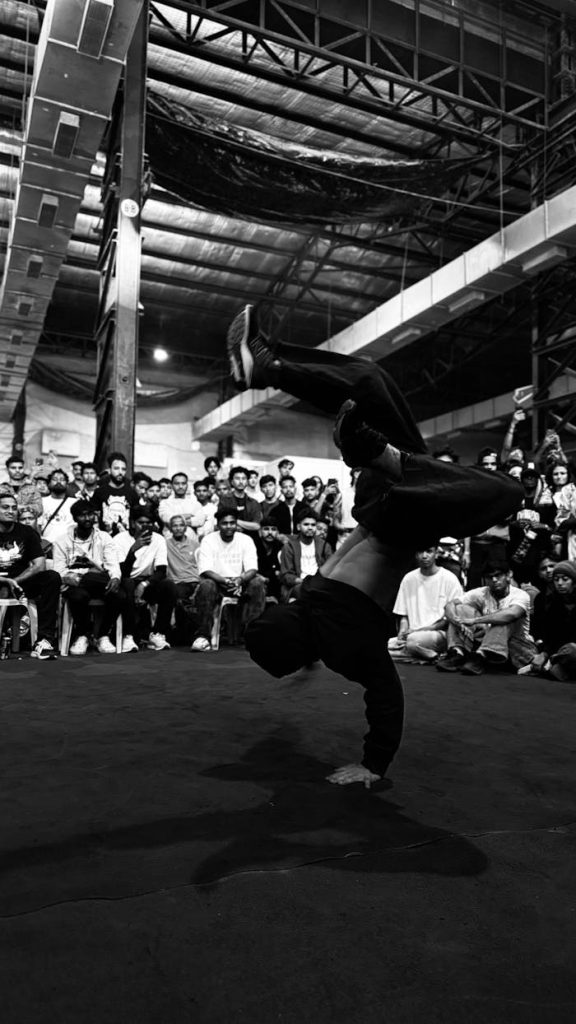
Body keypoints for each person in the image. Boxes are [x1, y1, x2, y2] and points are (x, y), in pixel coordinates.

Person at [227, 305, 523, 786]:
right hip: (397, 509)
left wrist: (304, 663)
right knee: (370, 381)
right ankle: (371, 448)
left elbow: (352, 673)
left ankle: (268, 365)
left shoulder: (325, 635)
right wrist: (373, 763)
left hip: (386, 504)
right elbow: (385, 695)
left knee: (370, 381)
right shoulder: (339, 639)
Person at [437, 559, 536, 676]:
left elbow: (511, 614)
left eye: (498, 576)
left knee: (502, 619)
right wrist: (456, 620)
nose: (494, 580)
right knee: (460, 608)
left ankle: (480, 656)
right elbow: (450, 605)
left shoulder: (520, 595)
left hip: (517, 648)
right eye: (489, 577)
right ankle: (458, 654)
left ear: (508, 575)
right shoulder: (482, 593)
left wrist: (475, 621)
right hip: (488, 643)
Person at [52, 499, 123, 655]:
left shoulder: (104, 537)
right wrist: (78, 577)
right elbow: (58, 571)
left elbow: (112, 565)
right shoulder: (61, 541)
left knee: (118, 594)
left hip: (98, 583)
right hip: (74, 585)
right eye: (83, 515)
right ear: (75, 518)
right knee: (80, 595)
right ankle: (82, 635)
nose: (88, 519)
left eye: (90, 514)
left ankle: (102, 636)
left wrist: (116, 578)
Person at [192, 508, 267, 652]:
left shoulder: (246, 540)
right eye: (224, 523)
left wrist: (240, 580)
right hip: (217, 582)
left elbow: (252, 569)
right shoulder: (209, 540)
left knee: (257, 583)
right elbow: (206, 570)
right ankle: (203, 636)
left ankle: (252, 635)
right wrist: (225, 581)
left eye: (232, 523)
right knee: (206, 585)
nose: (229, 526)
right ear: (218, 524)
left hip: (240, 582)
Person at [0, 489, 60, 659]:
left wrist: (14, 581)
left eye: (13, 508)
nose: (10, 511)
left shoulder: (26, 532)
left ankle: (44, 641)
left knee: (52, 577)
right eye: (5, 507)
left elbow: (39, 565)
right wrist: (4, 580)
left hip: (20, 582)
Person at [114, 507, 177, 651]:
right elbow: (122, 572)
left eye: (148, 523)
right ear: (131, 522)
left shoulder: (158, 539)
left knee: (169, 586)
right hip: (126, 581)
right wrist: (133, 550)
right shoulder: (120, 539)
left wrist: (144, 584)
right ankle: (128, 636)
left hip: (147, 582)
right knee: (128, 583)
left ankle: (157, 634)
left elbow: (161, 571)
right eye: (141, 523)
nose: (145, 526)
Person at [391, 545, 463, 663]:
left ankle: (428, 655)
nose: (424, 556)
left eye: (429, 551)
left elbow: (451, 620)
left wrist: (421, 630)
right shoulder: (409, 578)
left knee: (413, 642)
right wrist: (402, 632)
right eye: (420, 552)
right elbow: (403, 614)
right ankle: (428, 657)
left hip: (438, 634)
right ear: (415, 554)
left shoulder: (449, 579)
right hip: (412, 635)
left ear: (436, 553)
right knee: (381, 648)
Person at [520, 560, 576, 681]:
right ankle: (555, 668)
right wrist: (544, 653)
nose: (560, 583)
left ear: (574, 582)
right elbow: (551, 635)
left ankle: (550, 665)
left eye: (565, 579)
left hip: (570, 650)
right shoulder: (553, 604)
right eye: (556, 580)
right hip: (560, 650)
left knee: (573, 650)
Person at [279, 509, 333, 603]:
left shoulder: (324, 545)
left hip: (319, 584)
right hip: (299, 585)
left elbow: (331, 569)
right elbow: (286, 575)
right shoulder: (289, 547)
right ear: (298, 527)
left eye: (313, 525)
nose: (310, 528)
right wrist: (303, 582)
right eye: (306, 524)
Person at [166, 514, 201, 642]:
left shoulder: (195, 545)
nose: (178, 528)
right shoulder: (165, 545)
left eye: (181, 525)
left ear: (186, 527)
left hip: (193, 581)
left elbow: (201, 566)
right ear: (170, 528)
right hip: (175, 582)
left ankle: (188, 633)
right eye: (175, 525)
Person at [92, 452, 137, 535]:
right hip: (104, 538)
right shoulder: (100, 492)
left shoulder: (132, 493)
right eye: (116, 468)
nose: (120, 472)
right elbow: (94, 517)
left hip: (125, 539)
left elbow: (135, 519)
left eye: (123, 469)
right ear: (109, 470)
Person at [218, 466, 262, 535]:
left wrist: (234, 521)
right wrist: (246, 526)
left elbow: (256, 526)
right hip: (229, 538)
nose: (241, 481)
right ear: (232, 482)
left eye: (244, 478)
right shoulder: (224, 501)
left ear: (247, 482)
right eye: (237, 478)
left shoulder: (254, 502)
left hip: (250, 539)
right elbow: (221, 522)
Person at [38, 469, 76, 548]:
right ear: (48, 484)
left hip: (67, 546)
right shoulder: (41, 501)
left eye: (62, 480)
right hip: (46, 545)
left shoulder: (75, 502)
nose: (58, 482)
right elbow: (38, 525)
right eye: (55, 479)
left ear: (67, 484)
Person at [253, 517, 284, 603]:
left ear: (277, 532)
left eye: (273, 529)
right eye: (266, 529)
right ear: (260, 532)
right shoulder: (252, 545)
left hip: (274, 588)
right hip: (255, 585)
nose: (270, 532)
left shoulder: (281, 547)